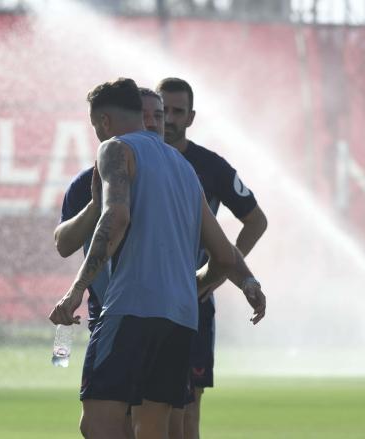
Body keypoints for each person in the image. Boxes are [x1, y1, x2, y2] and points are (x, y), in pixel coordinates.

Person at [49, 77, 266, 439]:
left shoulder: (116, 150)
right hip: (181, 318)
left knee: (99, 423)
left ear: (102, 122)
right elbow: (225, 254)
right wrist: (223, 283)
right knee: (156, 428)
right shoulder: (183, 167)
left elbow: (116, 218)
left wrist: (75, 291)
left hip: (130, 308)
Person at [53, 87, 172, 438]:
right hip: (129, 317)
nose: (151, 125)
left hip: (138, 314)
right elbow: (63, 243)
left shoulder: (172, 176)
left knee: (117, 424)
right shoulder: (88, 180)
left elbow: (119, 219)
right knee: (130, 424)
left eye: (158, 117)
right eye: (145, 116)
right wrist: (94, 207)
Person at [156, 77, 268, 439]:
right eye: (163, 111)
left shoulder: (210, 166)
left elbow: (256, 221)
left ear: (191, 117)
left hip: (193, 299)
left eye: (177, 111)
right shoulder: (133, 158)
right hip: (143, 296)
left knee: (188, 410)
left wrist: (218, 275)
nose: (168, 119)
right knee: (141, 406)